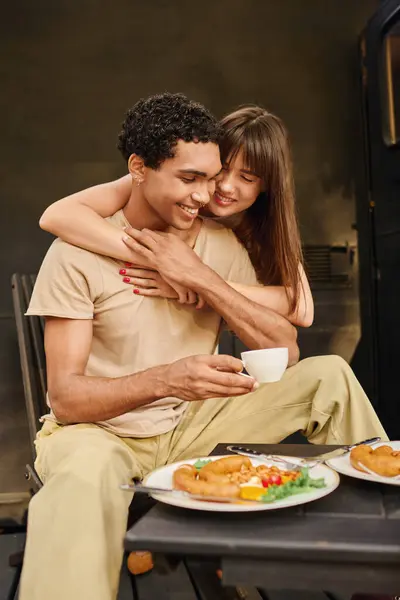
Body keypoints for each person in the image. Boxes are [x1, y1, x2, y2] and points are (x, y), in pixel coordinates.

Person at [20, 93, 386, 600]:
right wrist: (169, 378)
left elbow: (288, 351)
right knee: (83, 475)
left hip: (191, 423)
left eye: (211, 179)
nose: (206, 195)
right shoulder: (76, 252)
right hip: (100, 431)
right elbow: (66, 399)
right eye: (189, 179)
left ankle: (382, 566)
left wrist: (204, 280)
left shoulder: (217, 244)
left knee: (329, 375)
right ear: (139, 170)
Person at [39, 104, 314, 327]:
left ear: (267, 185)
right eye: (222, 170)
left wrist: (199, 282)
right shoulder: (162, 183)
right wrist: (159, 261)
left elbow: (301, 309)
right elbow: (57, 216)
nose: (226, 186)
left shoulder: (263, 221)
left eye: (247, 177)